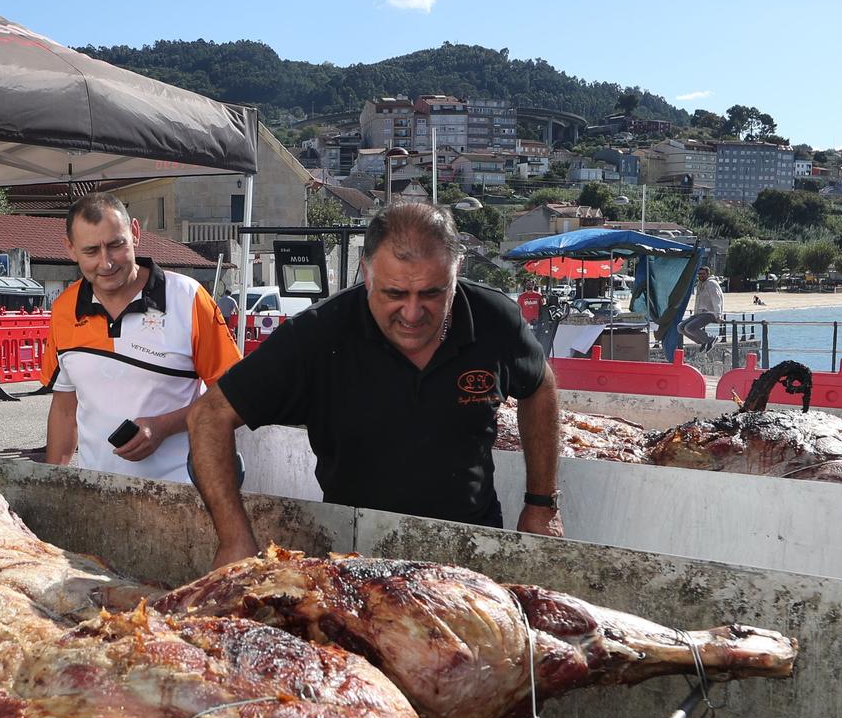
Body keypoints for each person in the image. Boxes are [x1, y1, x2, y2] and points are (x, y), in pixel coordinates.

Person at [186, 201, 564, 567]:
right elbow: (209, 415)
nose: (413, 313)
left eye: (432, 293)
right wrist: (234, 537)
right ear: (367, 274)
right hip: (355, 555)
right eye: (394, 294)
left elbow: (540, 385)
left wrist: (541, 503)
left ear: (456, 270)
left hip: (470, 550)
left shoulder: (494, 318)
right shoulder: (319, 336)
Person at [42, 193, 240, 484]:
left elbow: (235, 396)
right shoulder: (63, 310)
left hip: (185, 492)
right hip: (97, 493)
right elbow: (63, 410)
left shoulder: (188, 298)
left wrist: (164, 426)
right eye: (91, 251)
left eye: (116, 245)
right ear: (70, 249)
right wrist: (52, 484)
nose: (106, 263)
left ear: (135, 233)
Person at [680, 265, 726, 348]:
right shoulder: (700, 284)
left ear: (708, 274)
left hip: (709, 313)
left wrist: (718, 315)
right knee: (680, 327)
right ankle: (703, 341)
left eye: (703, 274)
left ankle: (710, 339)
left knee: (689, 328)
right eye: (699, 274)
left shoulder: (711, 283)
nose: (701, 275)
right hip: (699, 313)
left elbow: (717, 299)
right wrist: (695, 313)